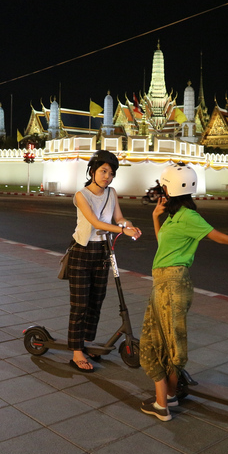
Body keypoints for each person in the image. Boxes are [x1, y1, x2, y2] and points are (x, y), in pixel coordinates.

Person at [139, 163, 228, 421]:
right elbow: (163, 246)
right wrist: (155, 217)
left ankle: (161, 405)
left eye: (162, 187)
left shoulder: (189, 217)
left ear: (168, 188)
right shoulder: (174, 216)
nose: (160, 191)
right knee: (165, 338)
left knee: (159, 341)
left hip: (172, 284)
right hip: (164, 282)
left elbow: (219, 237)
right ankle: (170, 395)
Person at [67, 150, 141, 373]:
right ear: (92, 171)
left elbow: (118, 217)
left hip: (102, 252)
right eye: (103, 171)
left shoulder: (112, 193)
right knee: (80, 304)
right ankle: (76, 351)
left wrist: (129, 225)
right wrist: (122, 230)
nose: (107, 176)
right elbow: (96, 223)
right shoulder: (81, 195)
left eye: (111, 173)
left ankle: (86, 342)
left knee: (96, 302)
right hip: (81, 252)